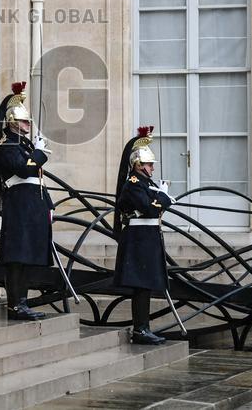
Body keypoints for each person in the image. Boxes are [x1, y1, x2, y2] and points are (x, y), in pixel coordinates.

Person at [0, 81, 53, 320]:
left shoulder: (23, 145)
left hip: (32, 206)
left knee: (27, 258)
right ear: (12, 122)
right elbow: (25, 170)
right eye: (25, 121)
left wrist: (48, 205)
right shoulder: (6, 146)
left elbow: (37, 178)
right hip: (19, 206)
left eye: (28, 121)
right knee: (18, 257)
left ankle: (23, 301)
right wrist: (39, 153)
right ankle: (15, 304)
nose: (29, 124)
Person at [112, 126, 175, 344]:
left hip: (147, 237)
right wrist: (164, 198)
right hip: (138, 238)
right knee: (140, 285)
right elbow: (150, 209)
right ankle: (140, 329)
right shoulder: (133, 184)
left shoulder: (146, 183)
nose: (152, 169)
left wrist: (160, 197)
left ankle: (144, 327)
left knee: (145, 285)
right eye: (149, 164)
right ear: (138, 164)